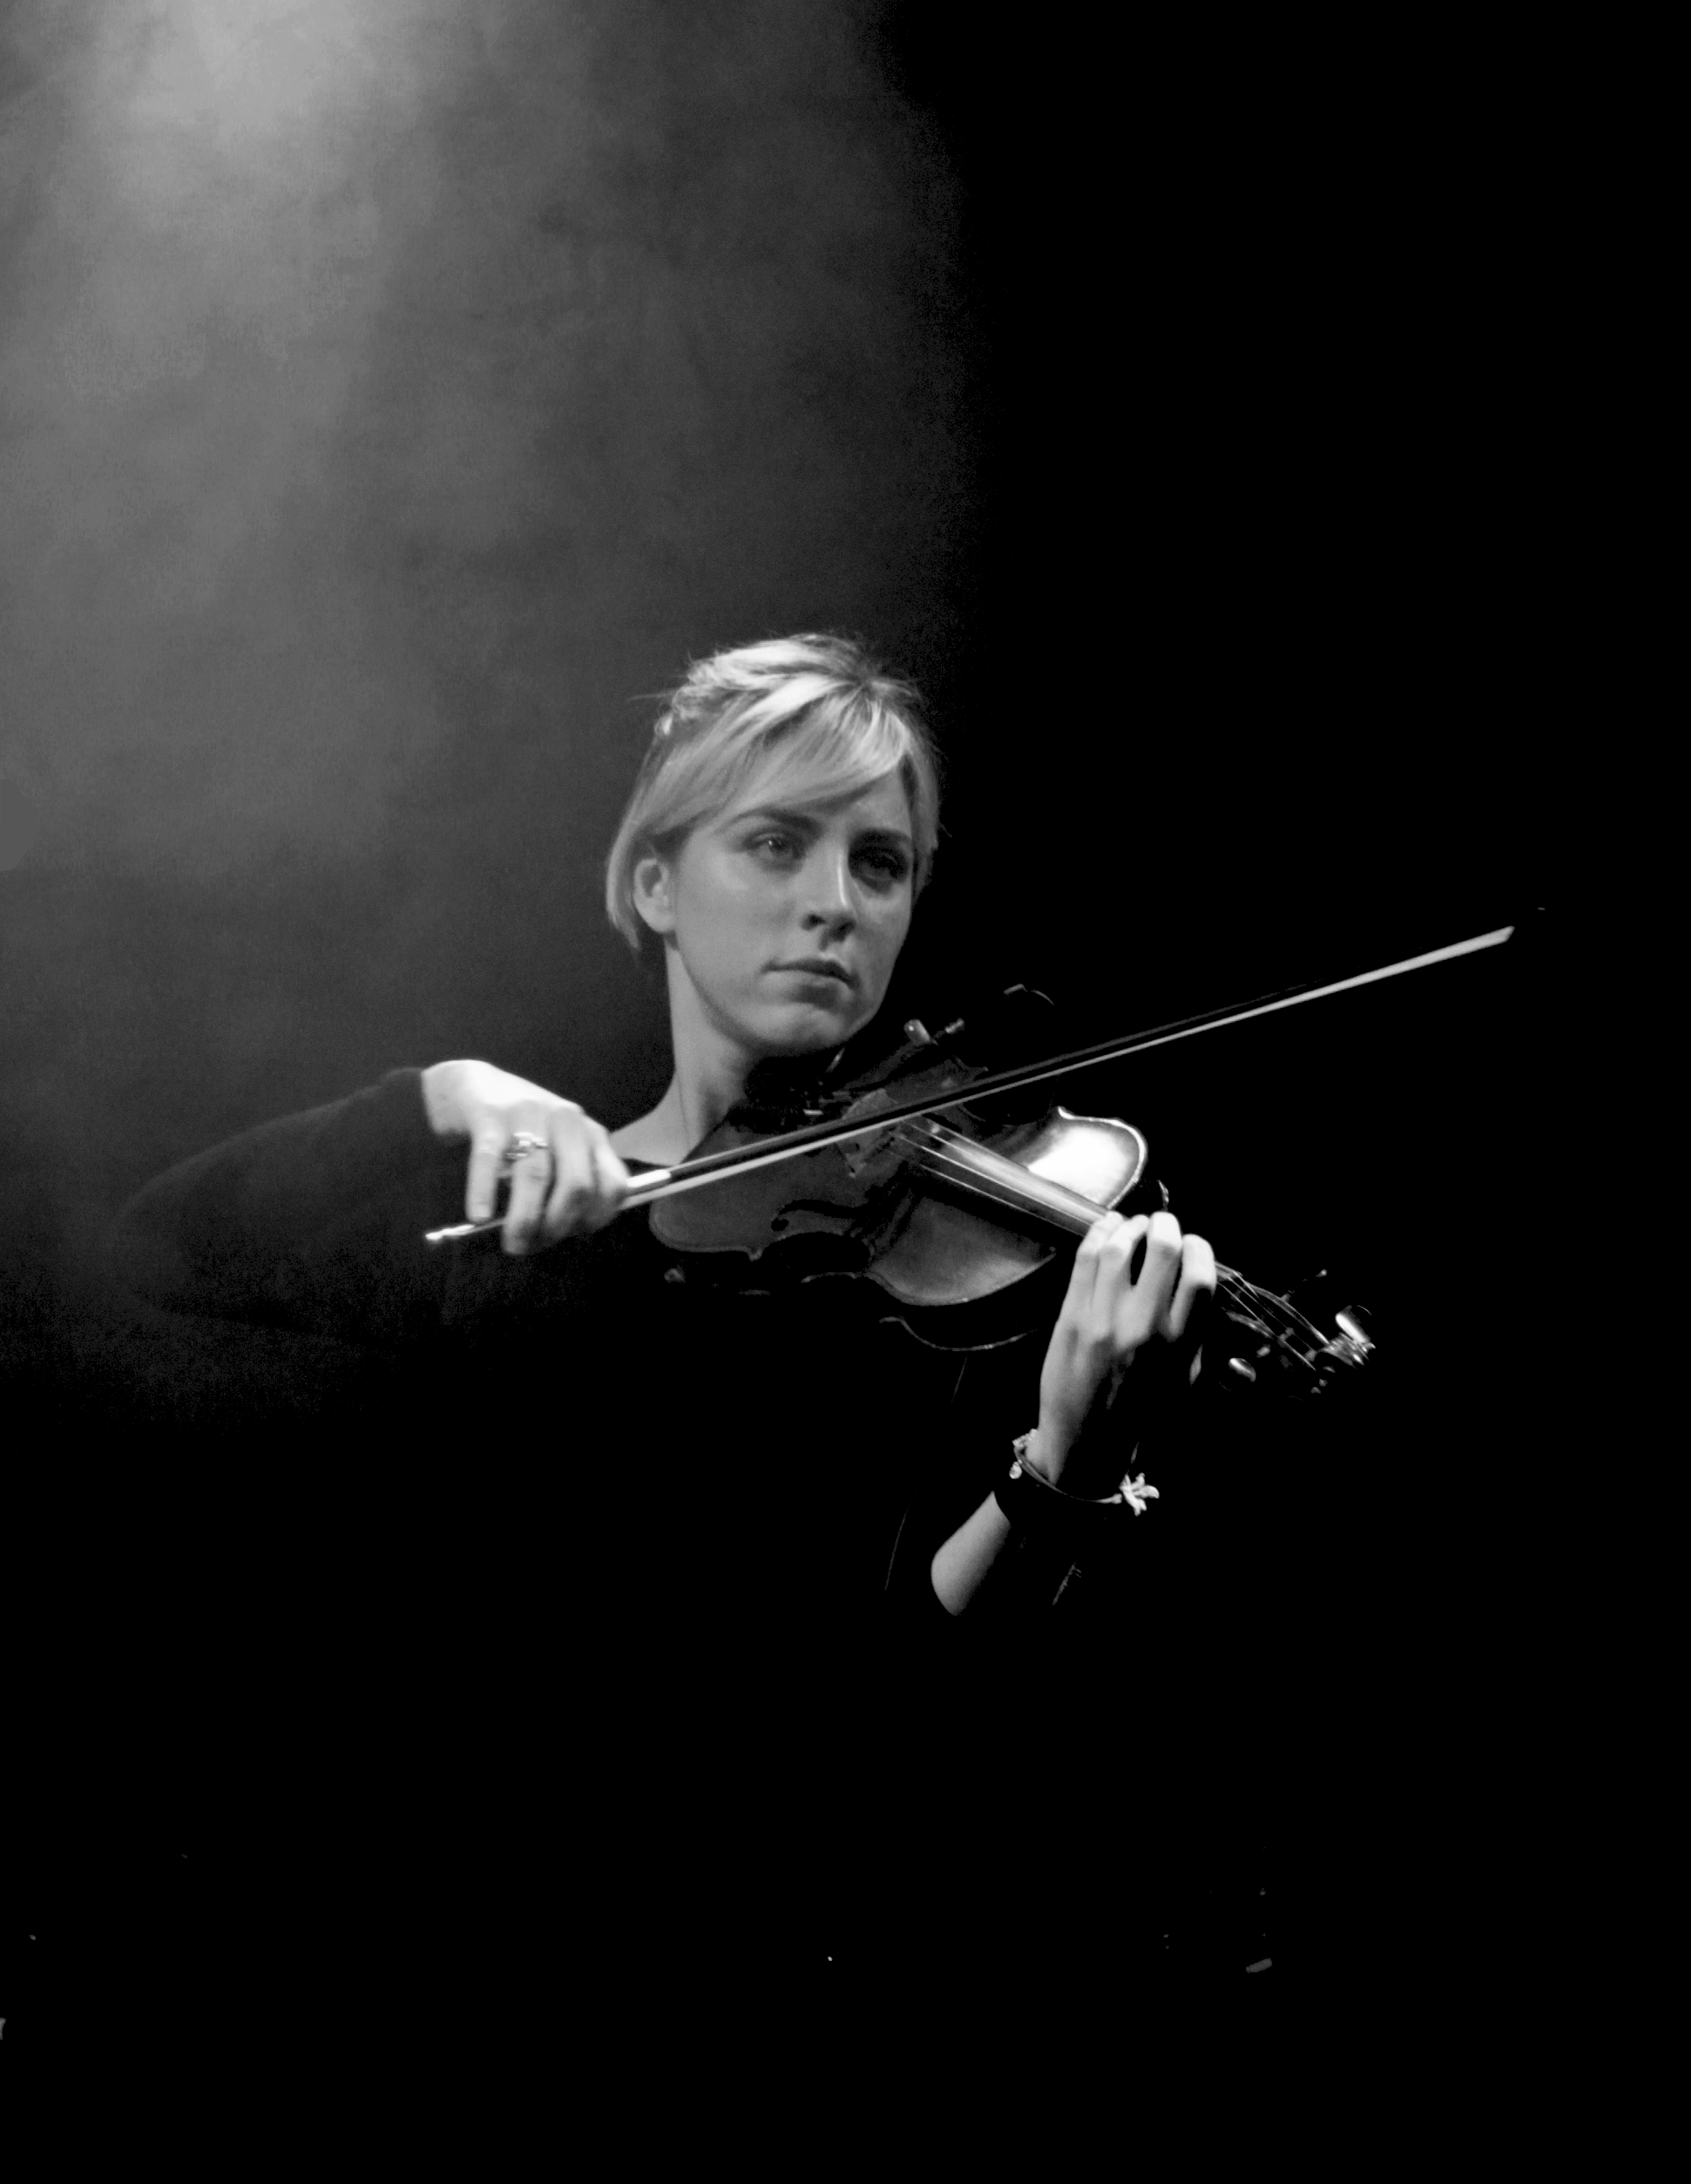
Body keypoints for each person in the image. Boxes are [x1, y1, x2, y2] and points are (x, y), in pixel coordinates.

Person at [109, 633, 1234, 1999]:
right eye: (775, 843)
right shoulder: (509, 1213)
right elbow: (147, 1255)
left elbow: (881, 1730)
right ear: (657, 882)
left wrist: (1061, 1476)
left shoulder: (947, 1279)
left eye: (879, 863)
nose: (833, 903)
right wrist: (441, 1095)